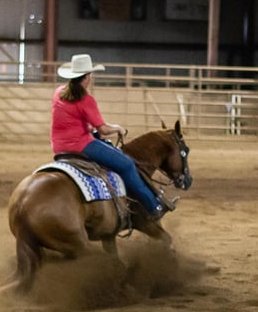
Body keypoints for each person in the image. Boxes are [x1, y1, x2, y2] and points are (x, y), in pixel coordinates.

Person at [50, 53, 174, 221]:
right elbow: (103, 130)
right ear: (86, 77)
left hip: (59, 147)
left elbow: (69, 119)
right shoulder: (86, 100)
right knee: (127, 164)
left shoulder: (59, 92)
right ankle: (154, 207)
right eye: (90, 74)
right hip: (81, 145)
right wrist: (118, 128)